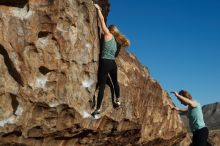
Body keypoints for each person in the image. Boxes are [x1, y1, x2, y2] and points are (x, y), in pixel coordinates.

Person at [92, 4, 130, 116]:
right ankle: (118, 99)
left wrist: (98, 9)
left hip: (105, 62)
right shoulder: (118, 42)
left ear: (110, 30)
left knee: (102, 86)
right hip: (113, 64)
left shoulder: (108, 35)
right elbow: (116, 55)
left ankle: (98, 108)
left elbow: (102, 20)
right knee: (115, 82)